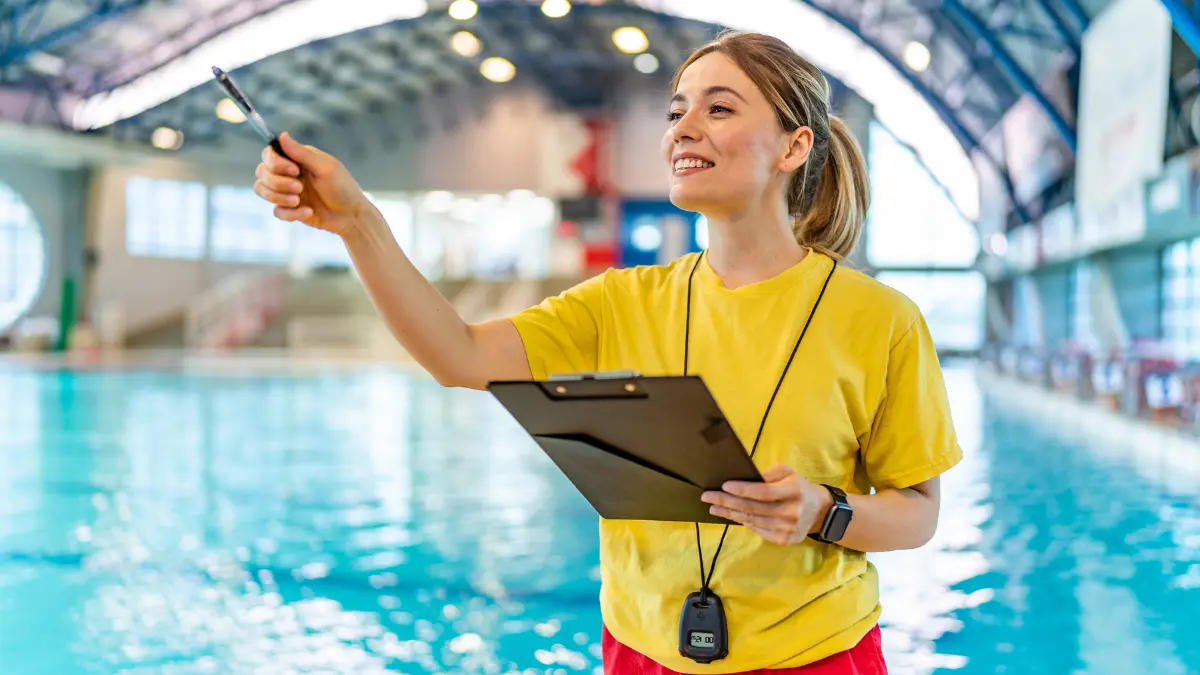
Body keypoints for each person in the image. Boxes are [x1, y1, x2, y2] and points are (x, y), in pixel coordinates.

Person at [253, 29, 961, 675]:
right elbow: (458, 354)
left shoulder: (879, 319)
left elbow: (918, 512)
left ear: (793, 146)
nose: (683, 127)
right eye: (676, 110)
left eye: (718, 109)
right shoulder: (621, 300)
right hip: (641, 648)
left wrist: (823, 509)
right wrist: (358, 223)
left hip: (812, 653)